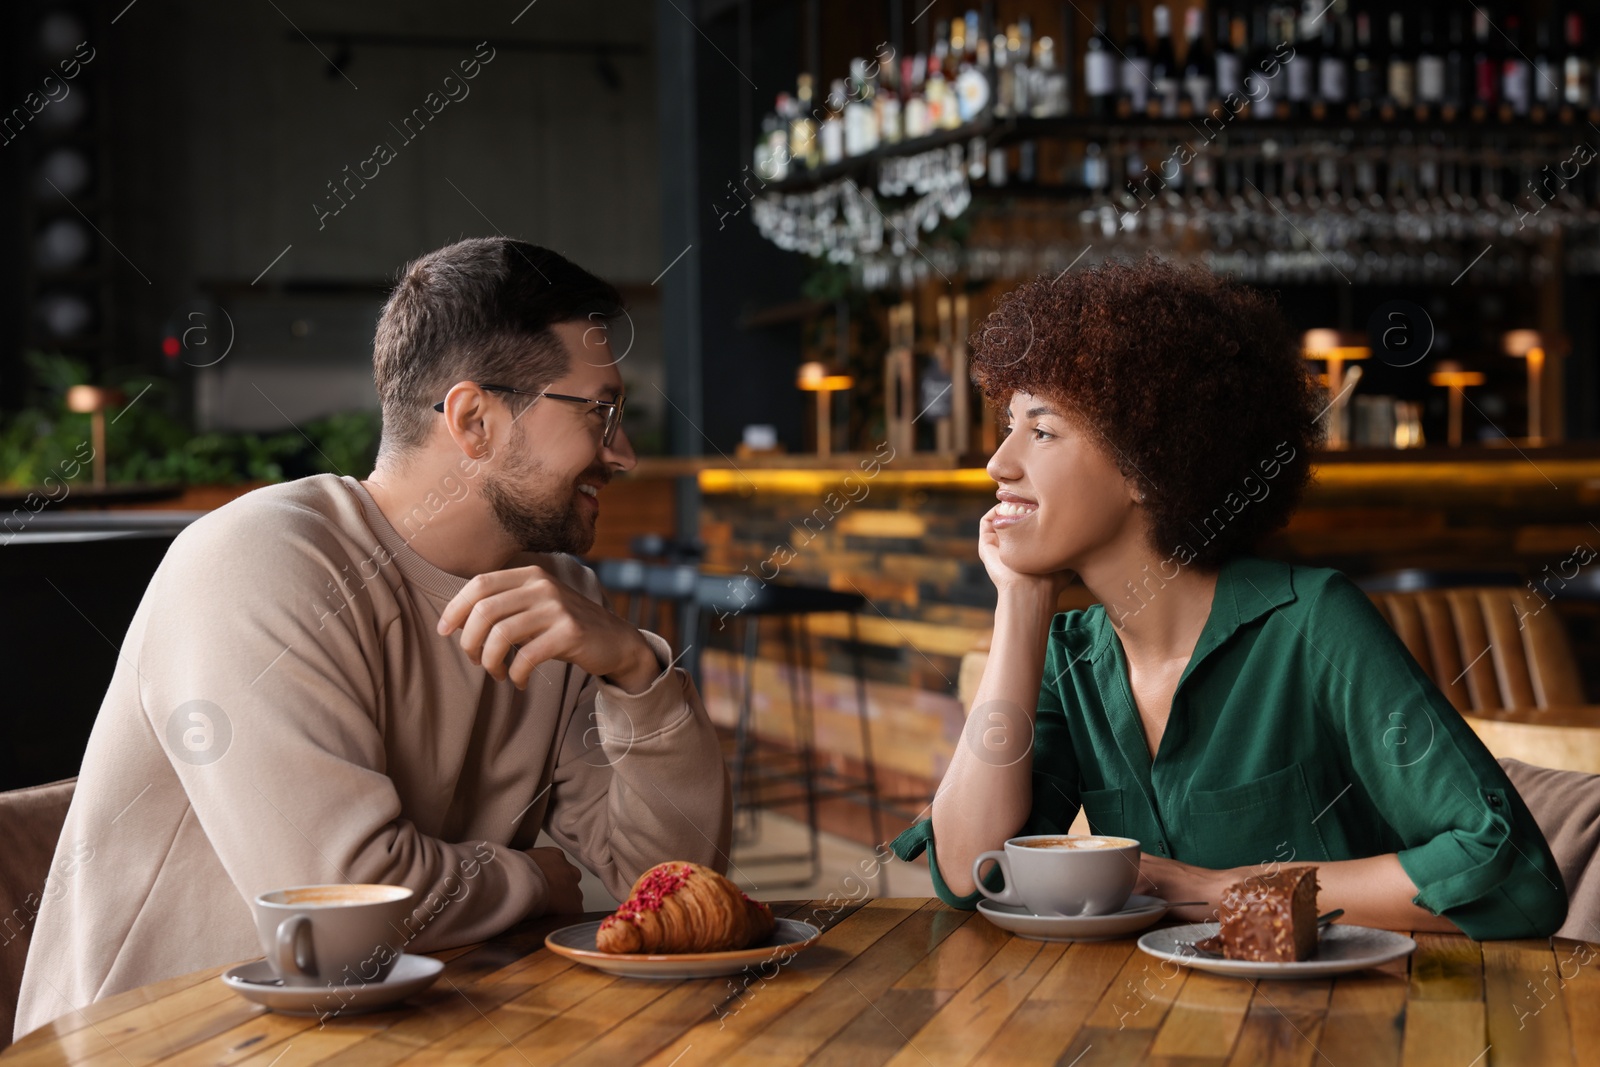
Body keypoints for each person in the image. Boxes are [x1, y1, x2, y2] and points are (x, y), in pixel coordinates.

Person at [15, 238, 732, 1038]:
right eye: (599, 411)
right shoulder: (259, 562)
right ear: (473, 419)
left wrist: (638, 671)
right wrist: (537, 877)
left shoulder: (559, 602)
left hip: (408, 1036)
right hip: (160, 1049)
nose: (623, 452)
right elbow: (342, 908)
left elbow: (678, 887)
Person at [892, 257, 1566, 939]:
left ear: (1144, 466)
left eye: (1041, 430)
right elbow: (968, 870)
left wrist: (1218, 889)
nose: (998, 463)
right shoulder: (1070, 660)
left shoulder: (1312, 623)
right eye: (1008, 425)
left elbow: (1512, 872)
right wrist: (1021, 601)